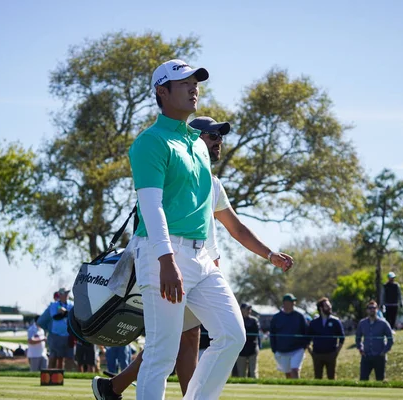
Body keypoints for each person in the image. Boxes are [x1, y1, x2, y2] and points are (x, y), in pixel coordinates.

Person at [119, 62, 294, 400]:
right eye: (183, 83)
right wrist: (166, 259)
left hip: (202, 260)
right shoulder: (150, 142)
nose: (193, 88)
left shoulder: (198, 147)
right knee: (161, 353)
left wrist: (268, 254)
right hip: (162, 255)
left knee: (232, 334)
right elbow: (151, 208)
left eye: (195, 82)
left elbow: (227, 222)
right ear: (162, 92)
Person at [270, 293, 309, 379]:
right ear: (284, 303)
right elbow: (272, 334)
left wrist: (304, 346)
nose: (292, 304)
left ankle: (297, 389)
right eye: (290, 302)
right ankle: (290, 389)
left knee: (295, 370)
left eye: (293, 302)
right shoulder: (276, 317)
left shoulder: (300, 316)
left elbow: (306, 332)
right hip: (282, 351)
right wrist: (274, 349)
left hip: (297, 350)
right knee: (287, 373)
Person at [306, 297, 345, 380]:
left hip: (331, 353)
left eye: (329, 305)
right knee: (317, 378)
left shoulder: (335, 321)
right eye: (327, 306)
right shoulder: (314, 323)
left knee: (331, 377)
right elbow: (307, 338)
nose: (330, 307)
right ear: (321, 308)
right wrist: (311, 352)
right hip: (317, 354)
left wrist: (336, 351)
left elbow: (342, 337)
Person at [355, 300, 394, 381]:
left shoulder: (384, 323)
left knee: (380, 380)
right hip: (366, 356)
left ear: (377, 309)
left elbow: (390, 339)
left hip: (379, 357)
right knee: (363, 380)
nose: (372, 310)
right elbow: (358, 338)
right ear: (367, 310)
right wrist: (361, 349)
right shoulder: (362, 323)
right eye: (370, 308)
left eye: (374, 308)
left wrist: (384, 351)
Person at [48, 287, 74, 370]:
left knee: (69, 357)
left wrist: (64, 312)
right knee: (57, 358)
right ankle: (56, 375)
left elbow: (73, 316)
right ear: (60, 295)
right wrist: (66, 313)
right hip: (57, 335)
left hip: (69, 335)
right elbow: (56, 317)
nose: (66, 295)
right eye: (64, 293)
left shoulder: (72, 304)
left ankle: (67, 376)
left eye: (67, 293)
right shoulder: (54, 305)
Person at [236, 303, 261, 378]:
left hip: (252, 349)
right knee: (241, 373)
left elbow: (255, 334)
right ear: (241, 310)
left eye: (249, 309)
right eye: (247, 309)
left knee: (253, 372)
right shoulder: (237, 320)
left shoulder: (254, 320)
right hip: (241, 350)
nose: (249, 311)